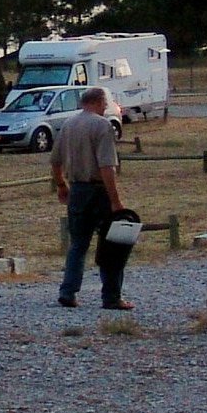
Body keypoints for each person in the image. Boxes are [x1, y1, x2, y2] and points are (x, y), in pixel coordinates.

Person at [50, 86, 132, 310]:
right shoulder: (102, 125)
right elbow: (106, 166)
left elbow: (55, 160)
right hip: (98, 191)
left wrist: (61, 185)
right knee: (111, 244)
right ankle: (112, 296)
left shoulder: (68, 124)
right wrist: (115, 200)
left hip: (76, 190)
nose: (106, 106)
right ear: (96, 101)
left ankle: (68, 291)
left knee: (77, 244)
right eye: (105, 102)